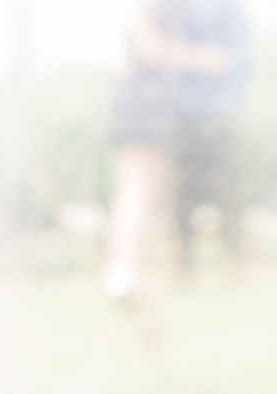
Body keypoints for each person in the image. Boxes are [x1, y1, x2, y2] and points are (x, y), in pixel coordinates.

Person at [102, 0, 251, 299]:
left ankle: (128, 271)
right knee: (136, 189)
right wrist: (204, 58)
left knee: (145, 193)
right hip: (141, 103)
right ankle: (121, 271)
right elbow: (149, 47)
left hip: (155, 104)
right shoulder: (144, 9)